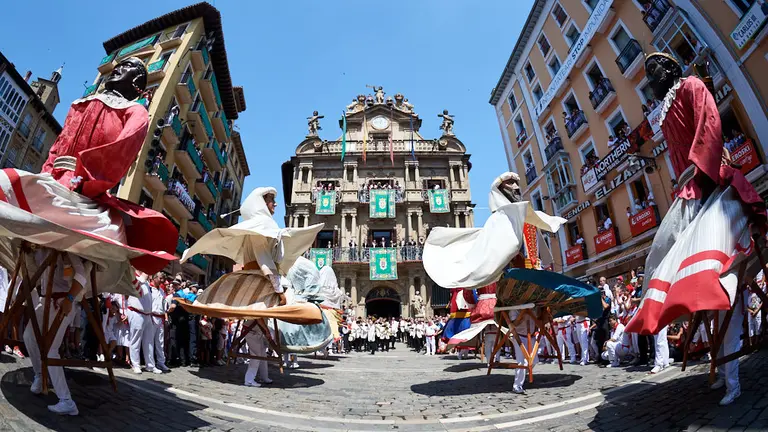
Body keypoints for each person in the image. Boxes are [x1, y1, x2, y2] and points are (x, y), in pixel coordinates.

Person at [628, 52, 767, 406]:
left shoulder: (690, 85)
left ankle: (732, 379)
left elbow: (709, 125)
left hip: (712, 184)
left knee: (721, 285)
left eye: (654, 69)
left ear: (671, 69)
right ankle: (722, 371)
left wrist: (700, 173)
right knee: (668, 256)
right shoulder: (663, 112)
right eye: (646, 73)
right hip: (691, 192)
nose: (649, 78)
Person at [144, 272, 169, 374]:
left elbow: (163, 305)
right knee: (150, 342)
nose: (162, 280)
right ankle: (150, 365)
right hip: (152, 316)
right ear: (154, 278)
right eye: (160, 278)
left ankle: (161, 362)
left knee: (160, 342)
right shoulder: (149, 289)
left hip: (160, 318)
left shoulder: (162, 291)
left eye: (163, 279)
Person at [243, 323, 272, 387]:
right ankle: (249, 380)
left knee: (263, 355)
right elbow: (259, 319)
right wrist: (267, 330)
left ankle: (264, 377)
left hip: (257, 332)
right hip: (252, 332)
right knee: (256, 356)